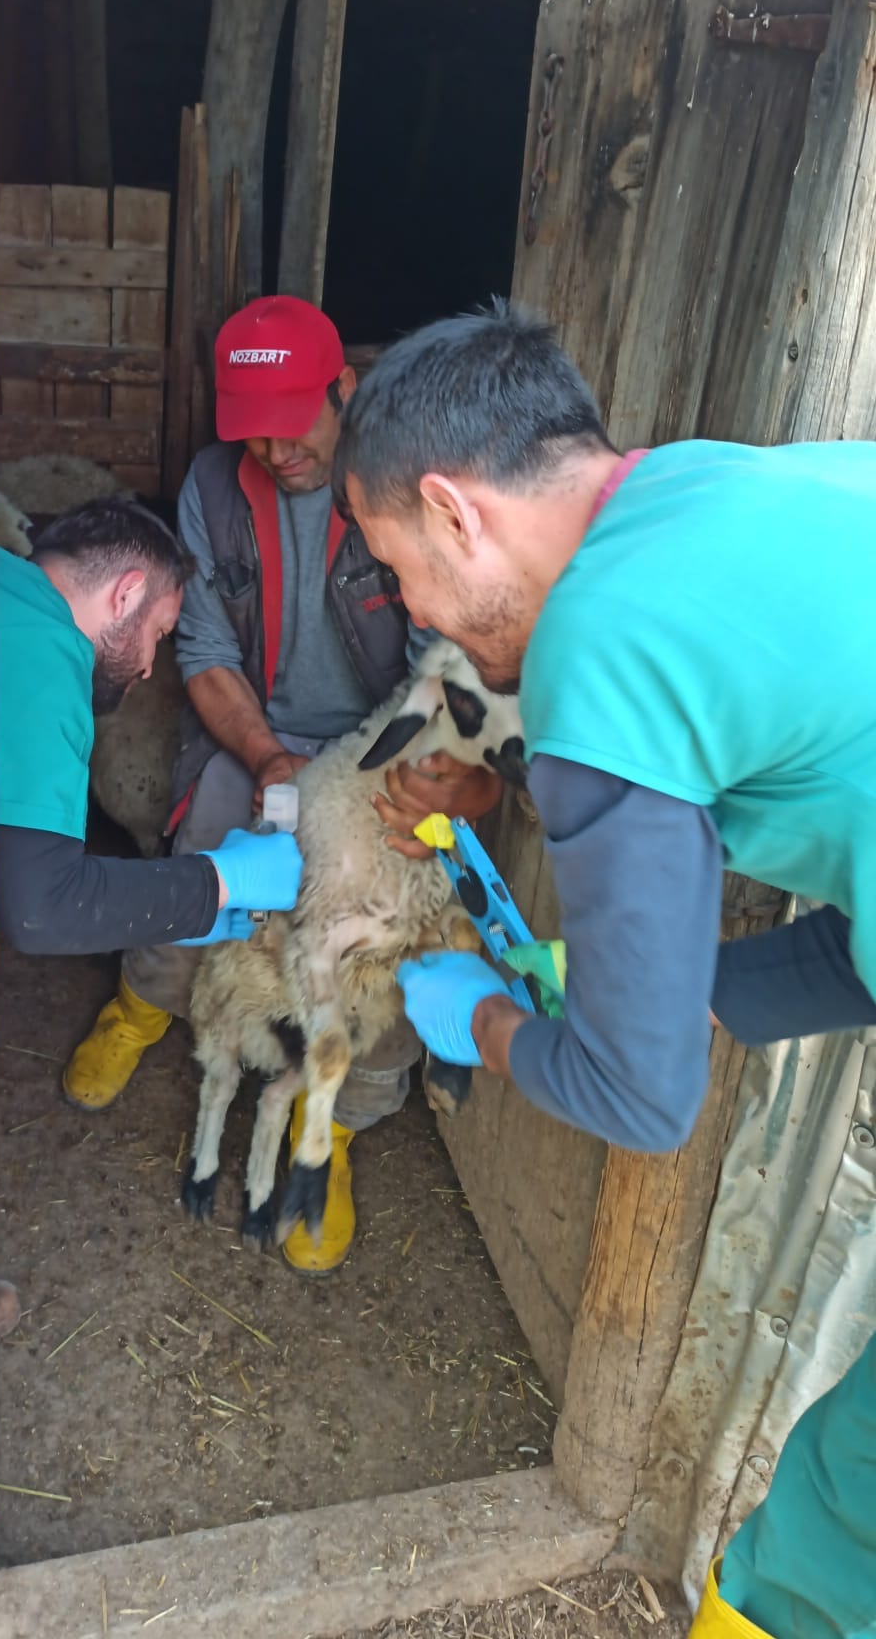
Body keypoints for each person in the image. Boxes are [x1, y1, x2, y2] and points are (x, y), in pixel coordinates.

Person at [333, 299, 876, 1639]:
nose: (413, 612)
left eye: (399, 570)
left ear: (459, 513)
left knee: (836, 1513)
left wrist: (493, 1029)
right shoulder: (718, 488)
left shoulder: (596, 649)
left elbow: (645, 1100)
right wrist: (699, 986)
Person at [63, 295, 501, 1273]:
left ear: (342, 388)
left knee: (387, 912)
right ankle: (146, 1004)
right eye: (249, 425)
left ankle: (338, 1116)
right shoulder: (213, 490)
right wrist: (266, 761)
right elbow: (207, 655)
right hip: (256, 731)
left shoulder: (406, 486)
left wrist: (364, 779)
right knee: (207, 857)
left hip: (383, 745)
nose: (273, 444)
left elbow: (445, 670)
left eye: (293, 417)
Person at [0, 498, 302, 972]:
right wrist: (223, 880)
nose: (150, 666)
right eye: (160, 632)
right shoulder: (52, 658)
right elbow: (41, 908)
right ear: (127, 594)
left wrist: (188, 915)